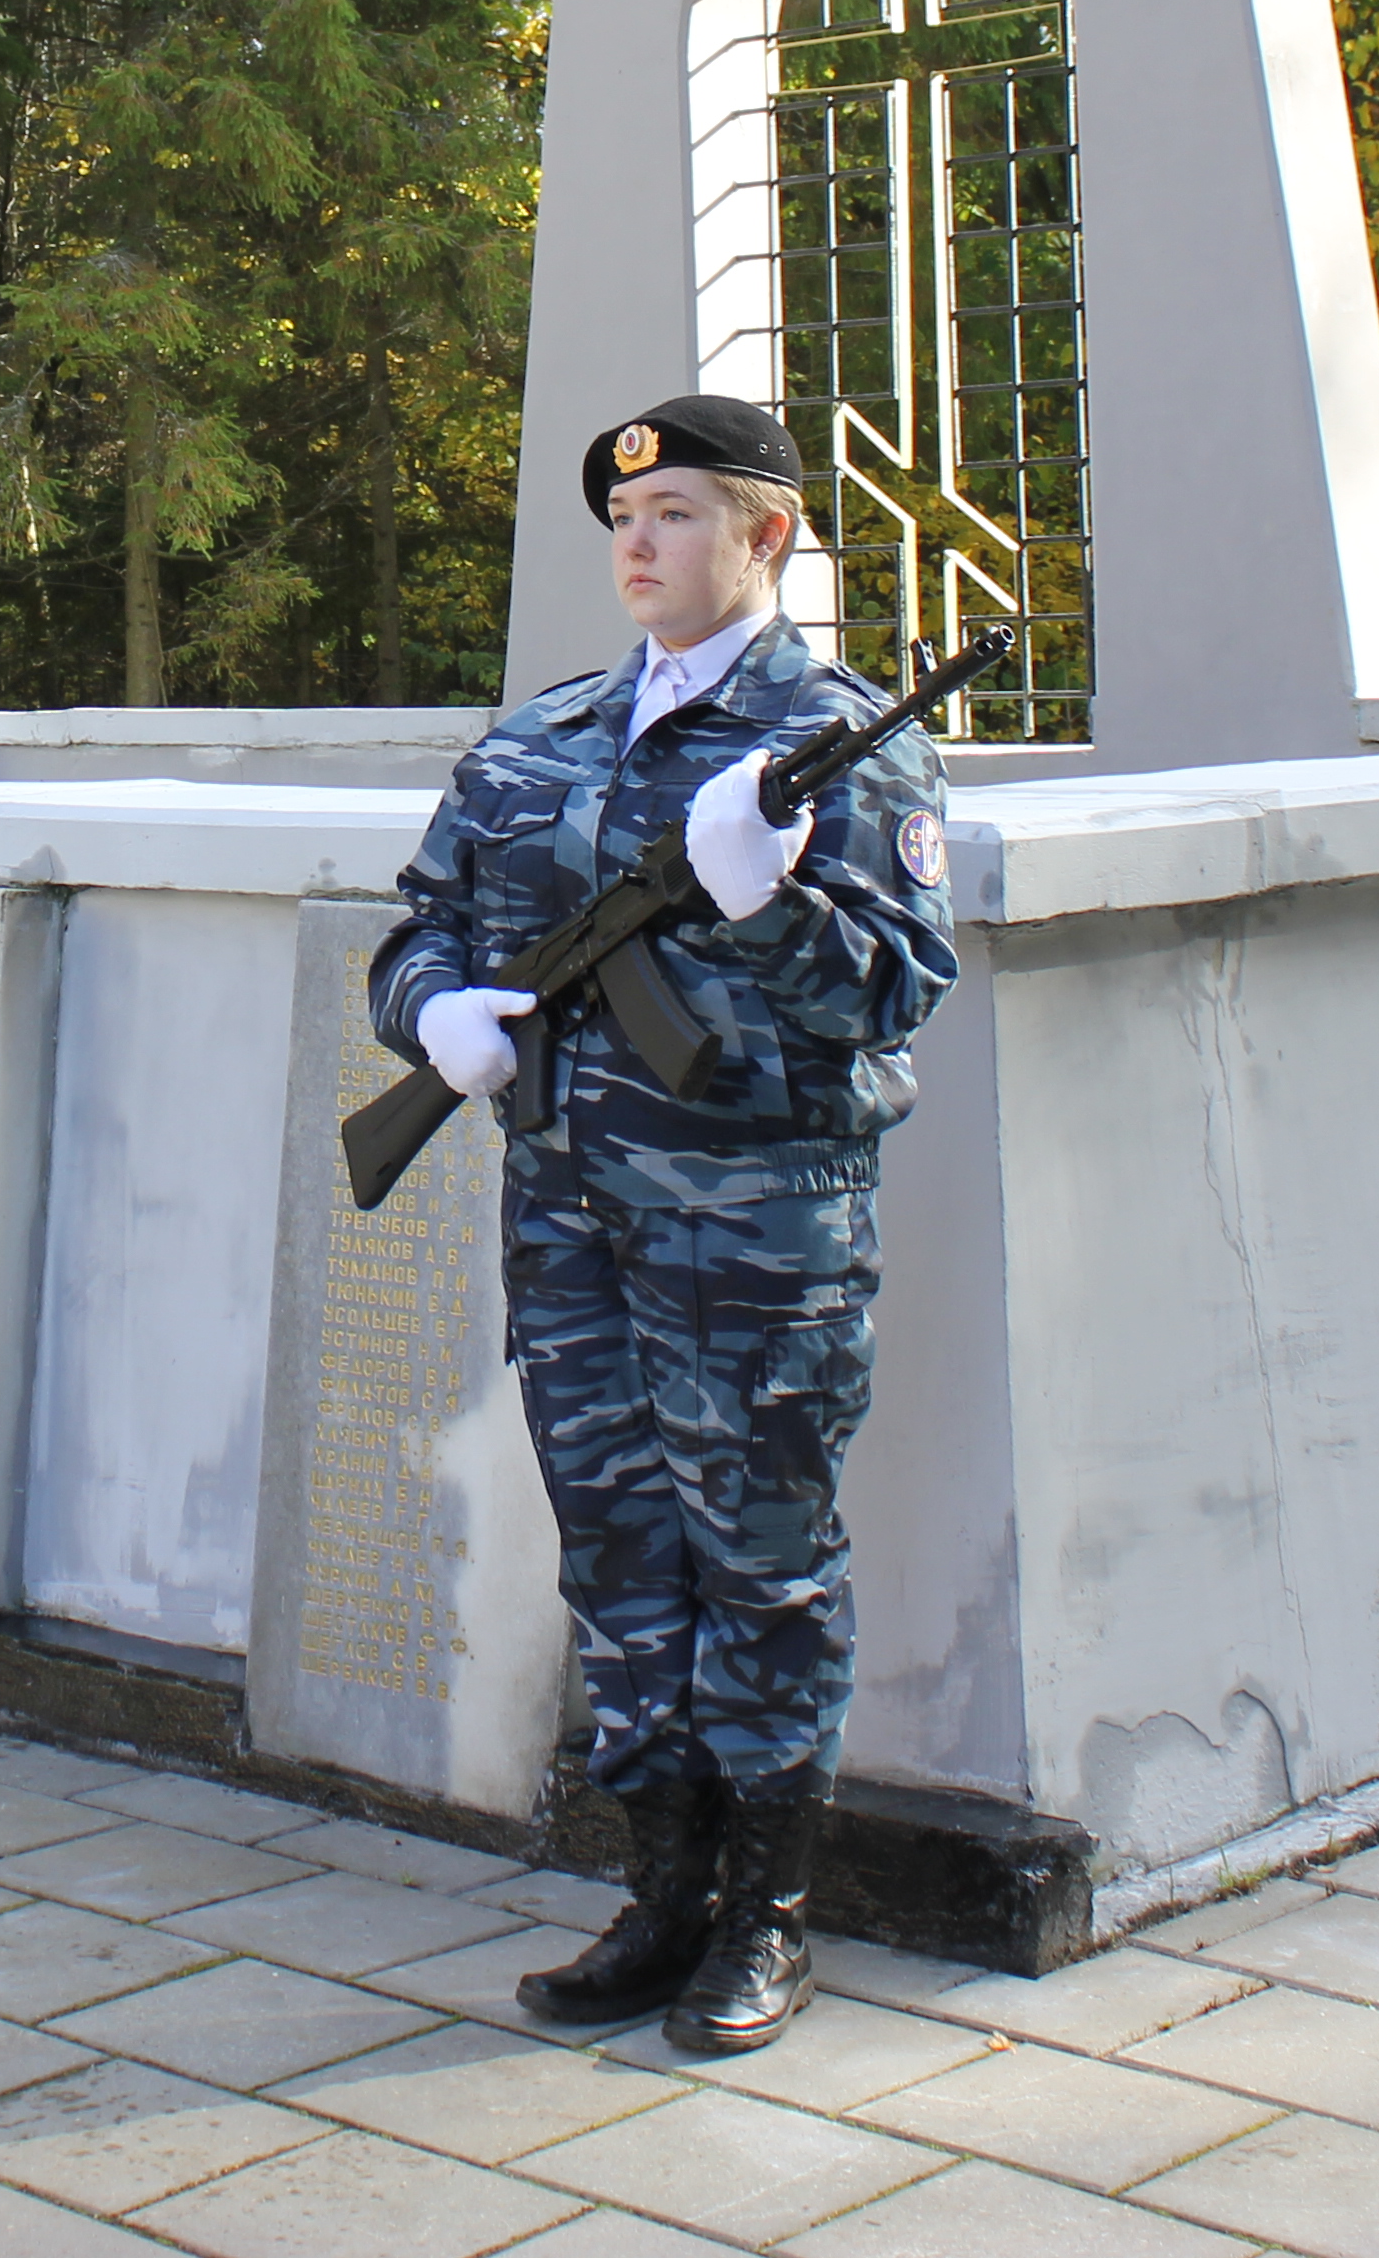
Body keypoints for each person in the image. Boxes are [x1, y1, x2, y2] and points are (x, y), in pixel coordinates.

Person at [373, 392, 959, 2056]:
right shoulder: (536, 743)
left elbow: (896, 989)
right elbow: (411, 932)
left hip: (756, 1244)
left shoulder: (841, 745)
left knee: (758, 1565)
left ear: (765, 535)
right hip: (571, 1236)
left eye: (680, 515)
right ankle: (659, 1893)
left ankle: (765, 1917)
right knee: (624, 1563)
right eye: (625, 521)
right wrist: (434, 1022)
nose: (638, 544)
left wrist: (768, 899)